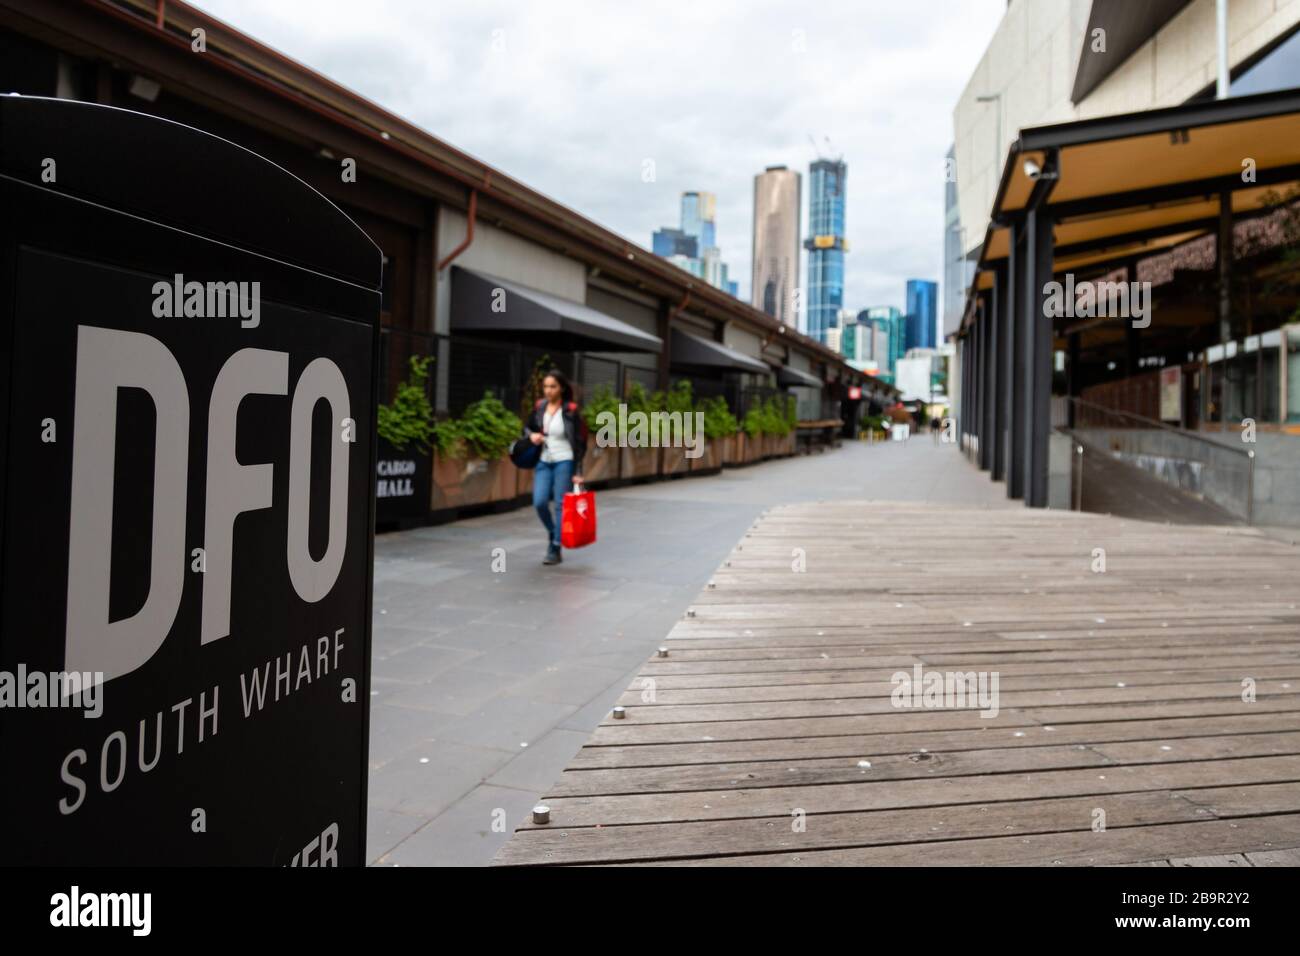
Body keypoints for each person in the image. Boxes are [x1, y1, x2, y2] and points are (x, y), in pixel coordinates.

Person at [525, 369, 587, 565]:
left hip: (564, 461)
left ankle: (555, 547)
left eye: (553, 386)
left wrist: (578, 471)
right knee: (539, 502)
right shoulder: (540, 407)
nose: (548, 390)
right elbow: (527, 427)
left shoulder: (570, 410)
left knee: (561, 505)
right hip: (544, 460)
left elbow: (580, 442)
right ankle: (554, 532)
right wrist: (531, 435)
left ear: (561, 388)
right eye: (545, 386)